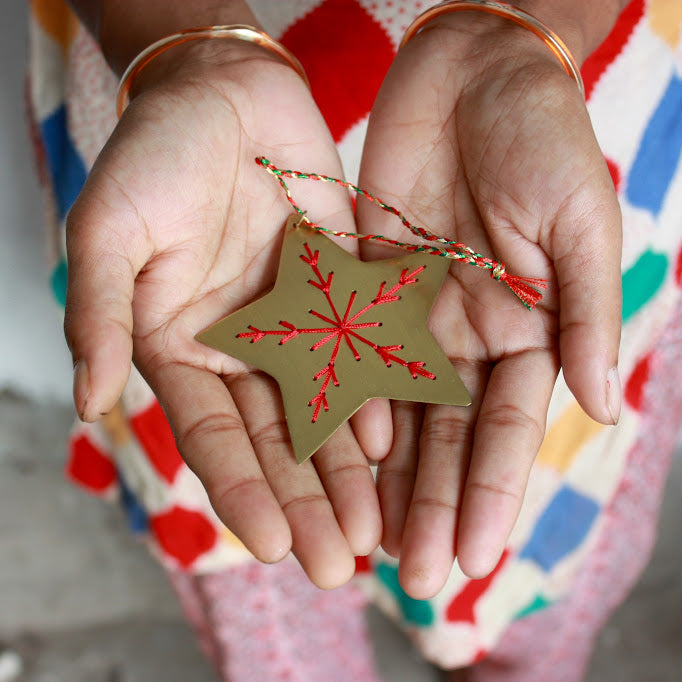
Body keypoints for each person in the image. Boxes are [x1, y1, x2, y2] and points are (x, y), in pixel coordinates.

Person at [27, 0, 682, 679]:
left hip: (551, 121)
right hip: (200, 186)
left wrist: (528, 27)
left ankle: (498, 652)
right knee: (260, 516)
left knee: (518, 495)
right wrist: (179, 46)